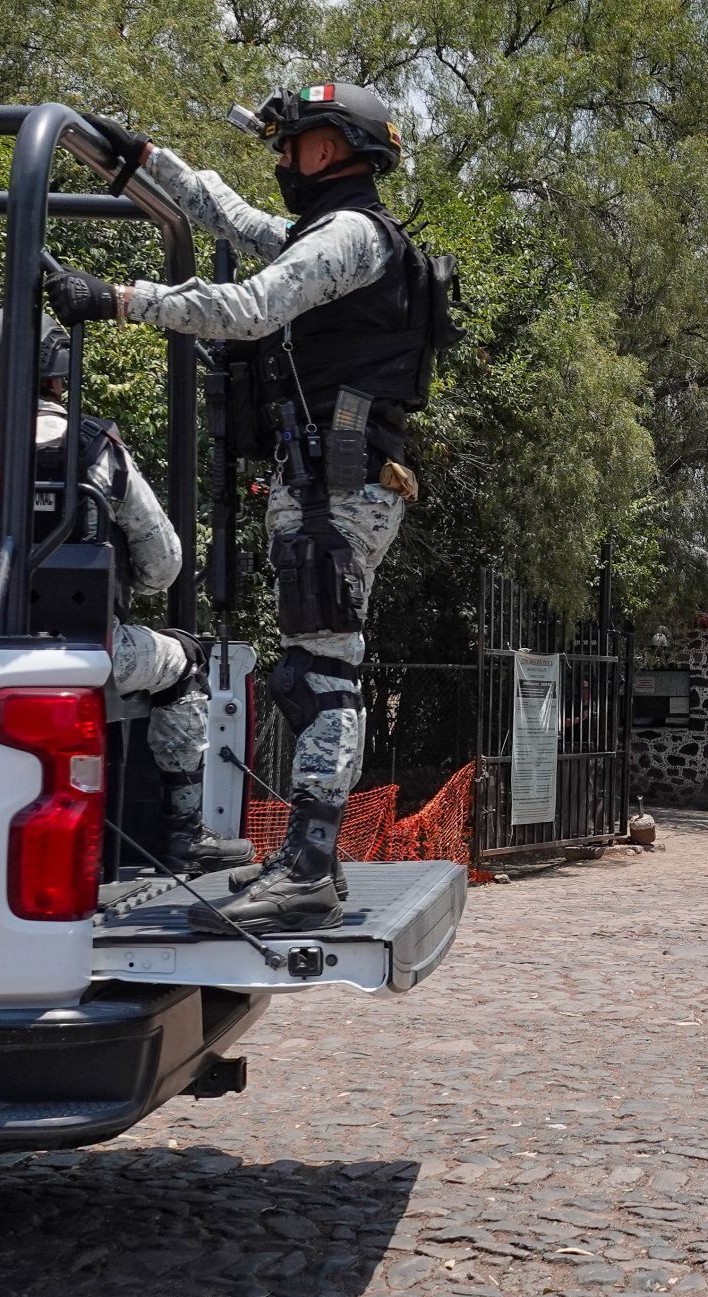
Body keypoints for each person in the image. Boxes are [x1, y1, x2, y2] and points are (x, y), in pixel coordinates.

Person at [45, 84, 460, 934]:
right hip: (333, 481)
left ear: (336, 148)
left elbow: (249, 307)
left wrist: (120, 299)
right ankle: (309, 860)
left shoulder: (349, 236)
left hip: (339, 488)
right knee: (315, 670)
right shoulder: (339, 237)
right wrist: (145, 162)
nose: (282, 159)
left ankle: (309, 865)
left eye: (295, 142)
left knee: (323, 674)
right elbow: (236, 219)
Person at [0, 309, 252, 872]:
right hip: (88, 649)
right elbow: (164, 567)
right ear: (58, 377)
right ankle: (184, 836)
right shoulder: (99, 450)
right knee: (185, 665)